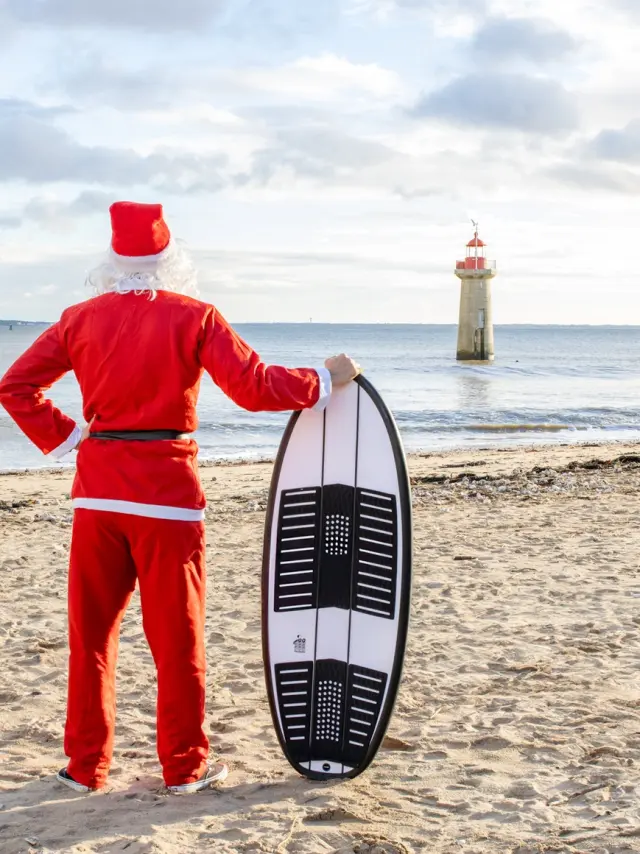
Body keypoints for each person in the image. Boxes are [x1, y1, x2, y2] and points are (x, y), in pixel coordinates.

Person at [0, 201, 360, 795]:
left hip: (98, 498)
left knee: (91, 637)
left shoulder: (78, 318)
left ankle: (84, 769)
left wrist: (70, 437)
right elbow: (252, 386)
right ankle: (184, 768)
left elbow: (15, 387)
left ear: (112, 261)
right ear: (169, 259)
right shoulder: (194, 315)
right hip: (167, 498)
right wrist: (323, 380)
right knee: (177, 640)